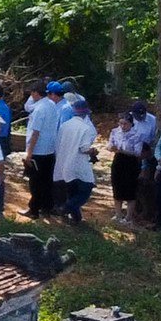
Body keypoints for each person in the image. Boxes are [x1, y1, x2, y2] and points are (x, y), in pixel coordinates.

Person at [55, 92, 100, 223]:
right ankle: (66, 208)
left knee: (72, 191)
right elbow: (84, 148)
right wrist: (93, 151)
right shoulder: (86, 128)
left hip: (64, 163)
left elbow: (58, 144)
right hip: (79, 164)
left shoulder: (65, 126)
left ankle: (76, 218)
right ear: (86, 113)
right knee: (86, 189)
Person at [25, 81, 66, 219]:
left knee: (35, 182)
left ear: (37, 93)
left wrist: (29, 153)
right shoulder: (52, 105)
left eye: (32, 92)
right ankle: (46, 207)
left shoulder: (39, 109)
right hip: (49, 149)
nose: (31, 95)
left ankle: (34, 209)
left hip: (38, 150)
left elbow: (35, 132)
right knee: (47, 180)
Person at [108, 101, 154, 210]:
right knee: (117, 185)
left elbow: (140, 150)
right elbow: (110, 144)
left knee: (131, 186)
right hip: (119, 159)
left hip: (137, 157)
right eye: (121, 124)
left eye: (125, 124)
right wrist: (114, 148)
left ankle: (134, 212)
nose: (123, 126)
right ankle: (118, 213)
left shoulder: (150, 122)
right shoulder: (116, 131)